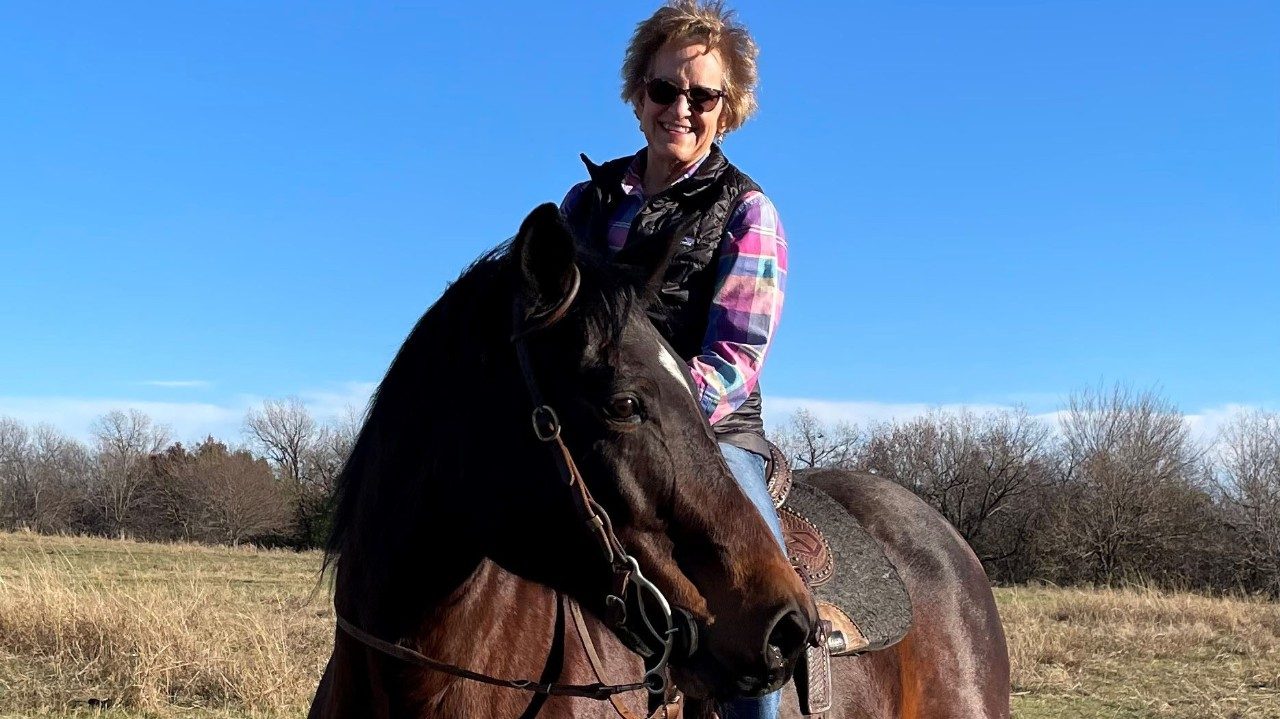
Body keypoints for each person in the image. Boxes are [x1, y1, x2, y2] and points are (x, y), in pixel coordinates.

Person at [560, 2, 789, 717]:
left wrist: (647, 410)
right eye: (664, 90)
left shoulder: (747, 211)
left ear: (730, 107)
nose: (680, 108)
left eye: (702, 96)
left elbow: (736, 354)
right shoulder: (584, 204)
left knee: (759, 617)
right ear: (638, 96)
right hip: (590, 436)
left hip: (714, 442)